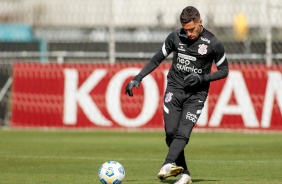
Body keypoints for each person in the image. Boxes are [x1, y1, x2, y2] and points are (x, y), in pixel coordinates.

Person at [125, 6, 229, 184]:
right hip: (174, 89)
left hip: (196, 95)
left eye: (192, 29)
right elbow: (158, 58)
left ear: (200, 22)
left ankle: (167, 164)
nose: (189, 33)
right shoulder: (174, 37)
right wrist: (138, 77)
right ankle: (186, 174)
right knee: (170, 132)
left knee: (183, 132)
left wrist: (202, 77)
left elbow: (224, 70)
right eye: (185, 29)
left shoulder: (213, 43)